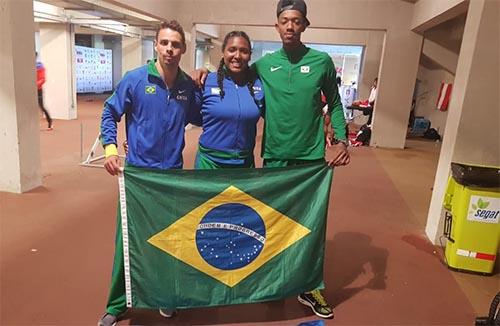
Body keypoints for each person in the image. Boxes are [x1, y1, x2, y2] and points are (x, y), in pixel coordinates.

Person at [193, 0, 350, 319]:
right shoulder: (263, 66)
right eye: (284, 20)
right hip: (274, 157)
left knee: (310, 225)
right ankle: (274, 279)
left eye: (296, 21)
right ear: (276, 26)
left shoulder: (321, 62)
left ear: (305, 25)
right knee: (272, 223)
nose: (290, 26)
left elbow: (333, 103)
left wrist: (342, 139)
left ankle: (310, 286)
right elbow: (233, 71)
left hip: (310, 161)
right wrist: (205, 72)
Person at [98, 20, 201, 326]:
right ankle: (117, 304)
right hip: (138, 179)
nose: (170, 49)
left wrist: (209, 79)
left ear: (183, 49)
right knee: (128, 241)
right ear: (156, 45)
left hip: (171, 178)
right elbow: (109, 112)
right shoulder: (135, 79)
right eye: (165, 43)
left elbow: (205, 113)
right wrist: (111, 149)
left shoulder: (186, 87)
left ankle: (165, 297)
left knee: (170, 241)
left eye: (176, 44)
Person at [195, 30, 264, 169]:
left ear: (250, 55)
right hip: (209, 163)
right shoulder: (206, 81)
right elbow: (193, 116)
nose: (237, 56)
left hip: (244, 164)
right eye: (232, 50)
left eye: (244, 51)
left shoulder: (258, 84)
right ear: (223, 52)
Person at [36, 52, 53, 130]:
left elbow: (43, 79)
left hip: (38, 89)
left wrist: (35, 85)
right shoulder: (26, 66)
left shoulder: (40, 66)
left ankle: (50, 122)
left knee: (41, 107)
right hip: (29, 90)